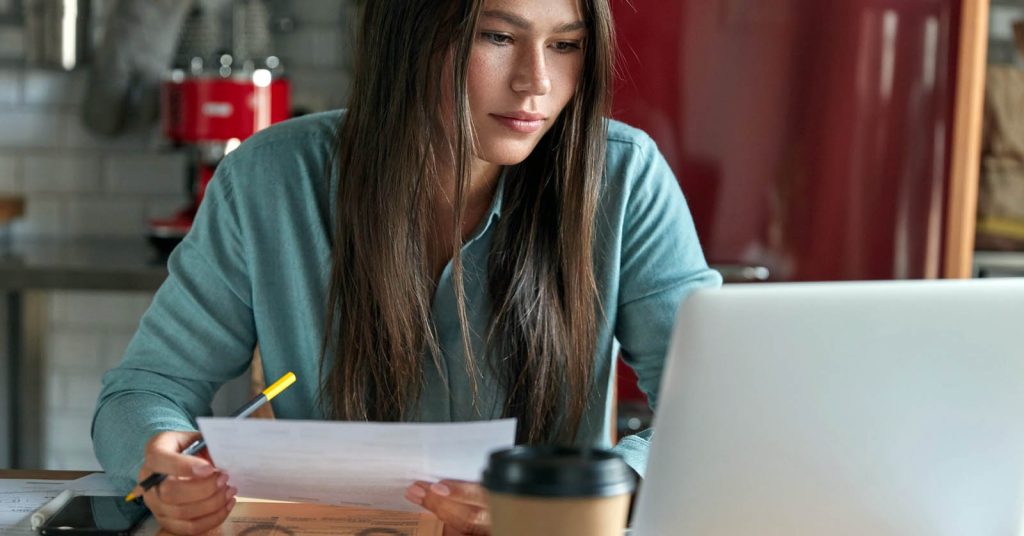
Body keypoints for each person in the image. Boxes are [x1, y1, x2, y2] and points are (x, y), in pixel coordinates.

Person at [91, 0, 722, 534]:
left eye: (565, 45)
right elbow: (146, 389)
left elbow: (716, 416)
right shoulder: (269, 179)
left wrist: (584, 495)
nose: (537, 81)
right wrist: (157, 459)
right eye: (497, 37)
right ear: (410, 36)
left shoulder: (625, 177)